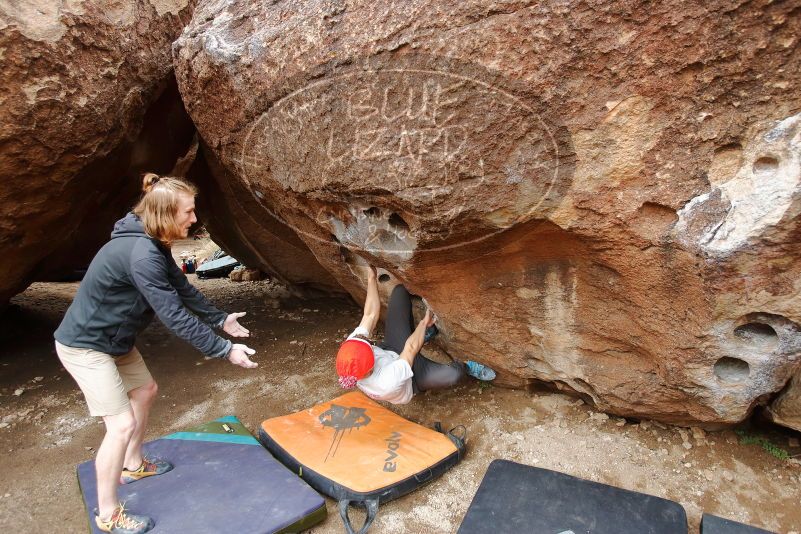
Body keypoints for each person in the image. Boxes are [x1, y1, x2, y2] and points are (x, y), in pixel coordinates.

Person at [54, 173, 258, 534]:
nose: (194, 219)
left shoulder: (154, 242)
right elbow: (174, 315)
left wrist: (221, 318)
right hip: (86, 347)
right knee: (120, 425)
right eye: (188, 212)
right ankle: (109, 514)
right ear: (165, 213)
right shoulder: (141, 254)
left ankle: (133, 465)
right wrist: (224, 350)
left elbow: (182, 288)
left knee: (145, 391)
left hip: (115, 342)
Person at [335, 266, 495, 404]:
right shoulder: (385, 382)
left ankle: (422, 337)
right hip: (413, 379)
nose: (367, 343)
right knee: (453, 375)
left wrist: (371, 278)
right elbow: (410, 348)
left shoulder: (352, 350)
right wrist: (424, 324)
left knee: (400, 292)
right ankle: (466, 367)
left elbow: (369, 314)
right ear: (369, 370)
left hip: (392, 349)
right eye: (368, 350)